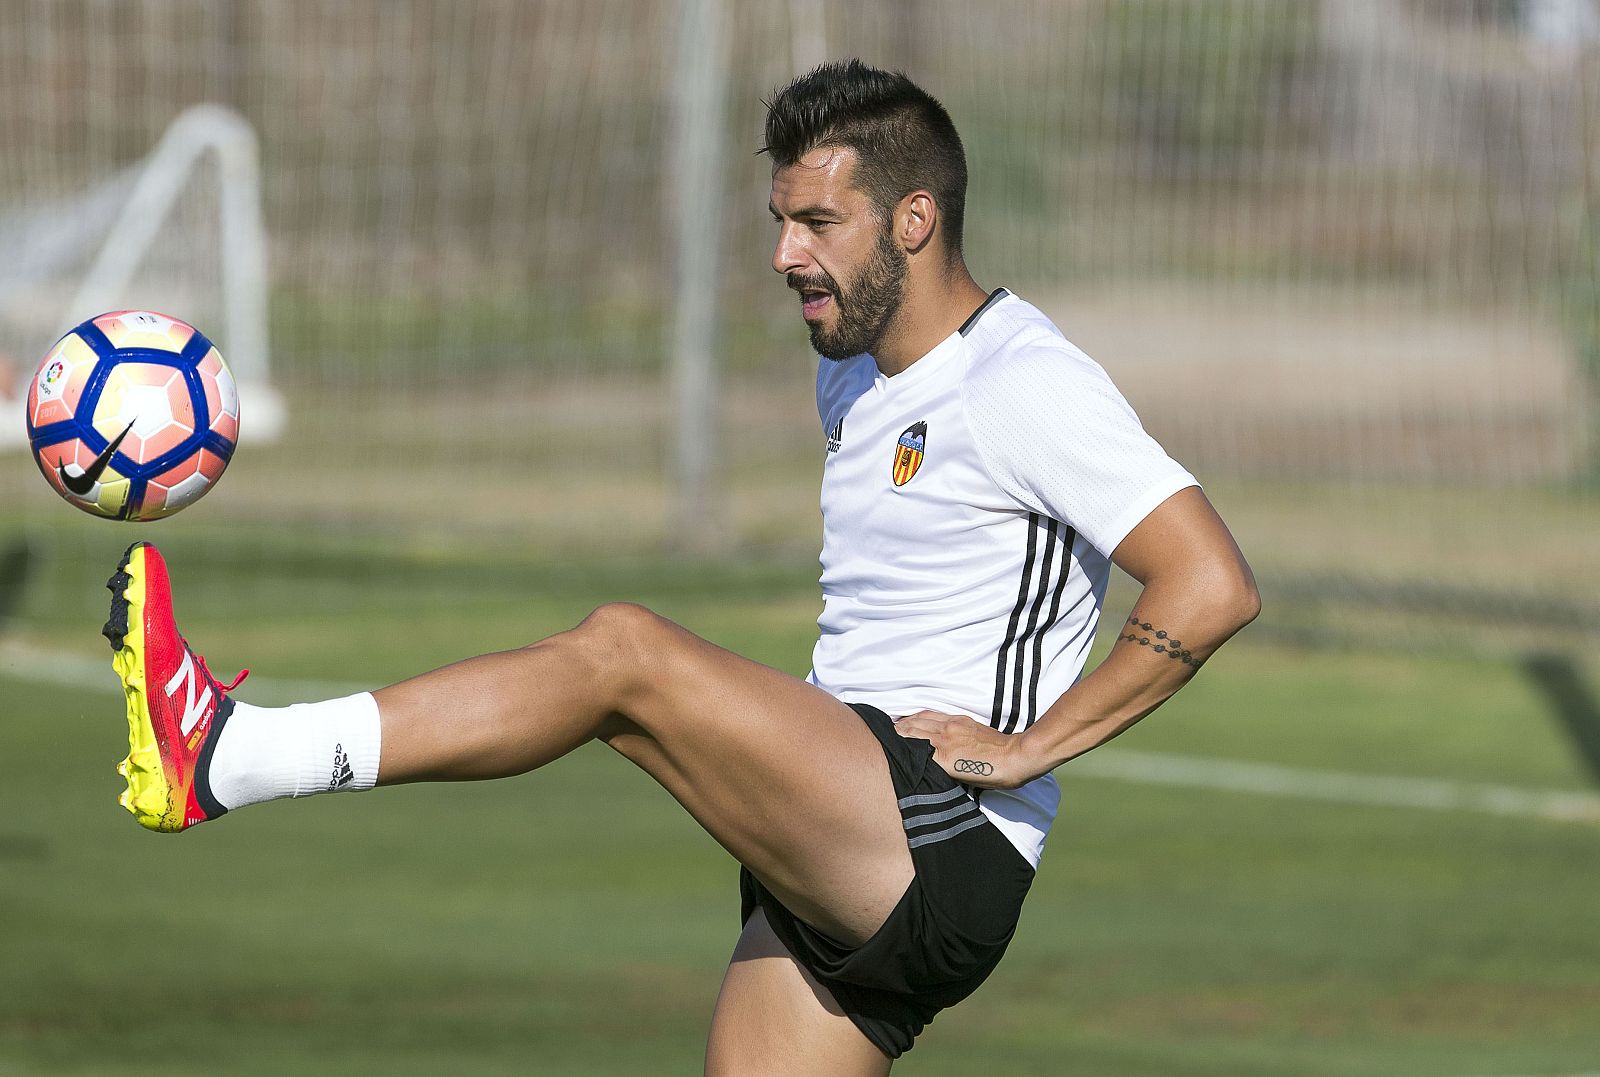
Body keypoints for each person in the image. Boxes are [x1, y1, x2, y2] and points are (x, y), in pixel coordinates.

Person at [106, 60, 1260, 1074]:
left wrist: (1029, 749)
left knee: (625, 658)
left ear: (914, 219)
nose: (782, 254)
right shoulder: (853, 374)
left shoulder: (1023, 378)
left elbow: (1209, 583)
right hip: (833, 834)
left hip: (932, 835)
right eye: (777, 218)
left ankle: (233, 753)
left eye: (816, 222)